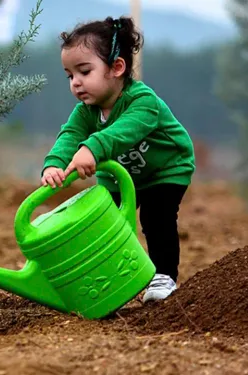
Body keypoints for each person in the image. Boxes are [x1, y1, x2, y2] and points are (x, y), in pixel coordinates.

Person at [40, 16, 196, 303]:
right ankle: (107, 281)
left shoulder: (142, 101)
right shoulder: (86, 112)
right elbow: (70, 135)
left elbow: (123, 133)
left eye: (84, 71)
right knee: (104, 222)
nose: (76, 83)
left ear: (117, 67)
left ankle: (164, 276)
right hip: (119, 175)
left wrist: (92, 148)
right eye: (69, 76)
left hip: (164, 170)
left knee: (155, 217)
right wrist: (54, 163)